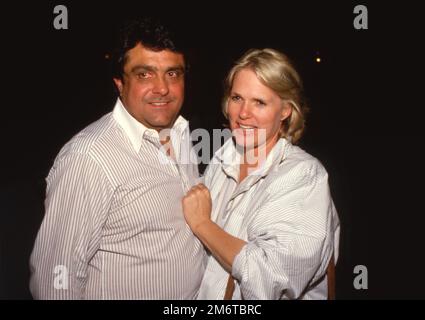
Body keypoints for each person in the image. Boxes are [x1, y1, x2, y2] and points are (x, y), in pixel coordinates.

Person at [29, 18, 205, 299]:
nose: (162, 88)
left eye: (173, 74)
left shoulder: (182, 135)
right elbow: (55, 280)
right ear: (120, 83)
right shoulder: (89, 158)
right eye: (144, 75)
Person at [182, 48, 340, 299]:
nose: (243, 113)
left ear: (286, 110)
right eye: (237, 98)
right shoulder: (224, 157)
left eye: (260, 102)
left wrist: (203, 224)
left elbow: (267, 277)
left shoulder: (303, 175)